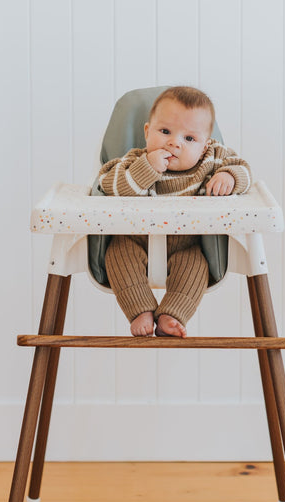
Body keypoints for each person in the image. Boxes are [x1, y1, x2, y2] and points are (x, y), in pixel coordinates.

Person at [99, 86, 252, 337]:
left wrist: (229, 177)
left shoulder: (211, 160)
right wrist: (145, 169)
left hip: (187, 244)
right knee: (117, 254)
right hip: (135, 240)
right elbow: (107, 184)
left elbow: (244, 169)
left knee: (195, 265)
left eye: (189, 139)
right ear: (148, 132)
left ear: (204, 146)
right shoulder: (134, 160)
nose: (174, 143)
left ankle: (172, 314)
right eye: (165, 131)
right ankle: (140, 310)